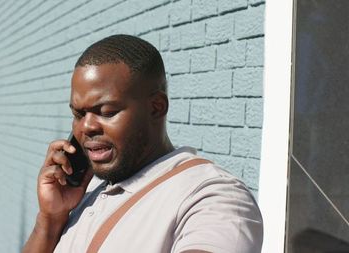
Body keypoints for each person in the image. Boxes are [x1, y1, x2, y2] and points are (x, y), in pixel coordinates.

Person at [22, 35, 263, 253]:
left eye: (106, 112)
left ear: (156, 107)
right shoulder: (91, 193)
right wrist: (51, 220)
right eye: (78, 114)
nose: (86, 127)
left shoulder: (213, 196)